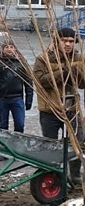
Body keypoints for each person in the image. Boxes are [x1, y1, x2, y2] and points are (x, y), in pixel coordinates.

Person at [33, 27, 84, 186]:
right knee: (50, 146)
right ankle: (53, 177)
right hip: (50, 110)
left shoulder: (78, 58)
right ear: (57, 41)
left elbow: (82, 84)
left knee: (78, 143)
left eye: (71, 41)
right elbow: (41, 81)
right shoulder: (43, 58)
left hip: (71, 110)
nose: (68, 44)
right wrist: (65, 71)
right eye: (64, 41)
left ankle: (75, 176)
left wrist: (77, 72)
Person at [0, 39, 33, 133]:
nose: (9, 49)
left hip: (17, 98)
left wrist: (28, 101)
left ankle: (17, 143)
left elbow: (28, 83)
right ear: (2, 49)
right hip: (1, 98)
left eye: (11, 47)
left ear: (15, 49)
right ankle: (4, 145)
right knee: (3, 126)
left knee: (20, 125)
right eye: (6, 47)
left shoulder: (21, 62)